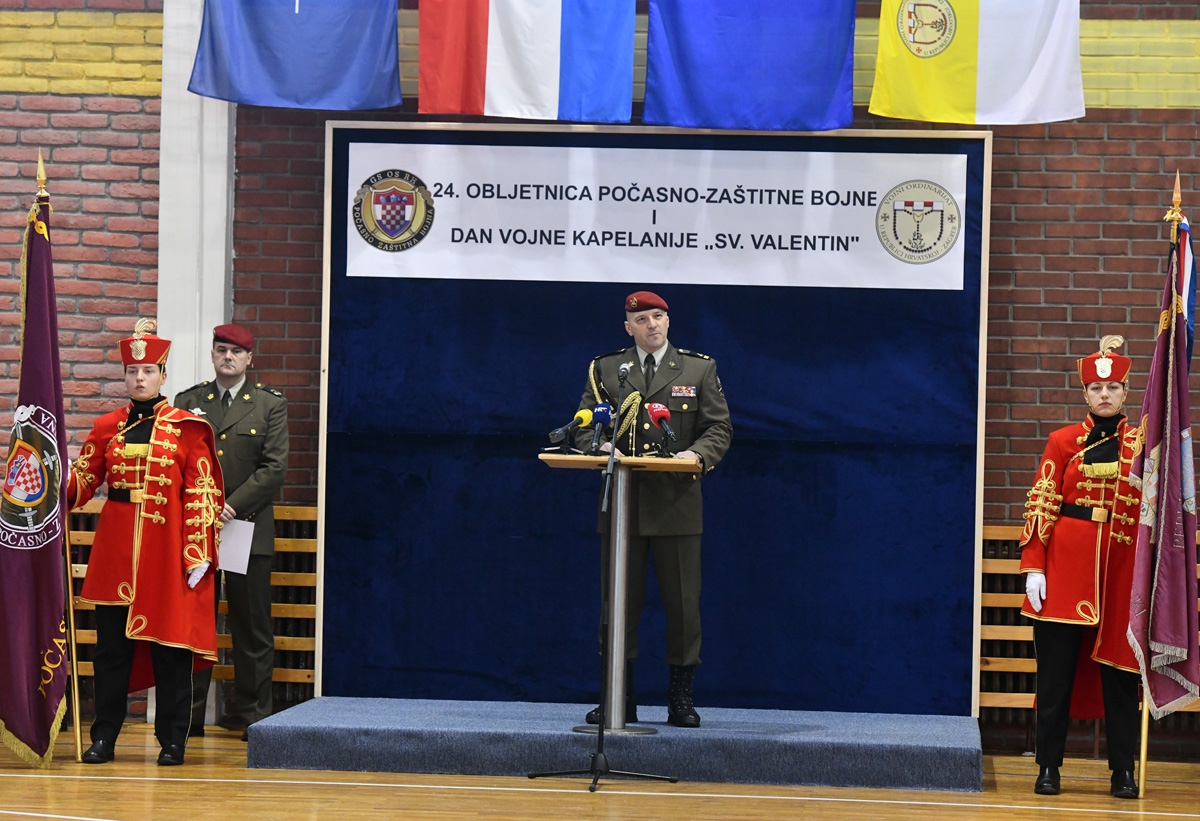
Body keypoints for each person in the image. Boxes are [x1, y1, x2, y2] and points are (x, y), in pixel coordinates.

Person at [575, 291, 732, 727]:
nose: (652, 325)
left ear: (668, 321)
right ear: (628, 327)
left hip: (676, 502)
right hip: (623, 502)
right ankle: (618, 697)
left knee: (682, 606)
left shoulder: (698, 369)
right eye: (642, 319)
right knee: (617, 605)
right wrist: (598, 445)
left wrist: (696, 455)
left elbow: (718, 428)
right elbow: (586, 423)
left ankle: (680, 698)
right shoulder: (608, 369)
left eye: (658, 316)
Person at [71, 319, 223, 766]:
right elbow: (83, 482)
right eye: (132, 371)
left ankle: (173, 740)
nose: (140, 378)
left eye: (148, 371)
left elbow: (202, 492)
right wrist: (49, 477)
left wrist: (198, 552)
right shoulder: (106, 426)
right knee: (110, 652)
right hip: (115, 552)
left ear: (162, 375)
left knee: (170, 650)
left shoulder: (188, 428)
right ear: (125, 375)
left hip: (166, 553)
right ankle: (104, 737)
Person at [1019, 334, 1142, 799]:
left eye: (1113, 388)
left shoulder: (1145, 445)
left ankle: (1123, 771)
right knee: (1055, 676)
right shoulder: (1062, 441)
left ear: (1126, 391)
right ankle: (1048, 766)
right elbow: (1042, 503)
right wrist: (1034, 565)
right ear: (1085, 393)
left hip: (1121, 572)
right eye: (1096, 388)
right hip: (1066, 570)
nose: (1104, 395)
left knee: (1121, 676)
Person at [176, 324, 289, 740]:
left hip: (246, 526)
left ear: (249, 359)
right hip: (196, 530)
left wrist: (231, 505)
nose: (228, 357)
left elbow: (274, 467)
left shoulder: (269, 404)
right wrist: (203, 508)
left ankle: (253, 717)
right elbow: (177, 462)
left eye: (236, 352)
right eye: (221, 350)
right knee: (193, 623)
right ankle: (186, 717)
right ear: (212, 354)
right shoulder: (188, 402)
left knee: (251, 626)